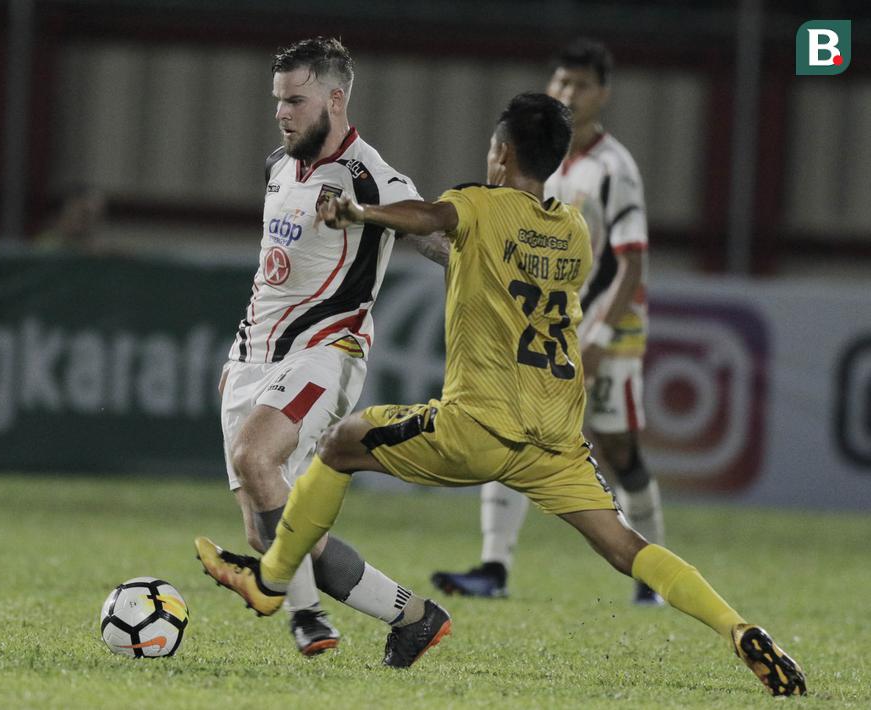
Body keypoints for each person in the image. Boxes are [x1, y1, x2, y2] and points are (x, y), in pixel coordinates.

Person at [195, 93, 806, 696]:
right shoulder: (573, 229)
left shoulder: (478, 205)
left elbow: (429, 218)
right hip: (557, 437)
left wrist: (361, 215)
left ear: (503, 151)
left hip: (479, 426)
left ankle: (273, 581)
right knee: (625, 546)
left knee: (339, 443)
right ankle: (737, 626)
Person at [215, 36, 448, 660]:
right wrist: (240, 362)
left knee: (256, 458)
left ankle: (308, 619)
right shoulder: (277, 164)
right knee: (280, 537)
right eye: (277, 101)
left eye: (295, 100)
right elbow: (275, 272)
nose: (282, 113)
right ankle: (416, 616)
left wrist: (368, 216)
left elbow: (437, 239)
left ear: (335, 99)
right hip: (253, 357)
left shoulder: (371, 175)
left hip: (328, 350)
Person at [431, 39, 665, 606]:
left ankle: (652, 578)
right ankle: (494, 566)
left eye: (580, 84)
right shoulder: (542, 161)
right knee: (505, 422)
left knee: (618, 450)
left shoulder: (616, 168)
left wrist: (601, 338)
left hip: (605, 326)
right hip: (543, 323)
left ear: (602, 93)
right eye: (561, 83)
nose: (568, 93)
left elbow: (633, 261)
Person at [35, 185, 106, 253]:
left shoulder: (89, 247)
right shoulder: (48, 244)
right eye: (83, 214)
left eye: (93, 216)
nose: (88, 221)